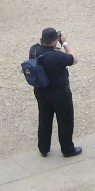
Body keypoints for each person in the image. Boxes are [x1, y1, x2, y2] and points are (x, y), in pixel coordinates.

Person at [29, 27, 81, 158]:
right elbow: (74, 58)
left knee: (44, 118)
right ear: (54, 41)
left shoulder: (34, 50)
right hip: (59, 92)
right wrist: (64, 43)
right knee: (65, 120)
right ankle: (68, 149)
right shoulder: (56, 56)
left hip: (41, 90)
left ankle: (43, 148)